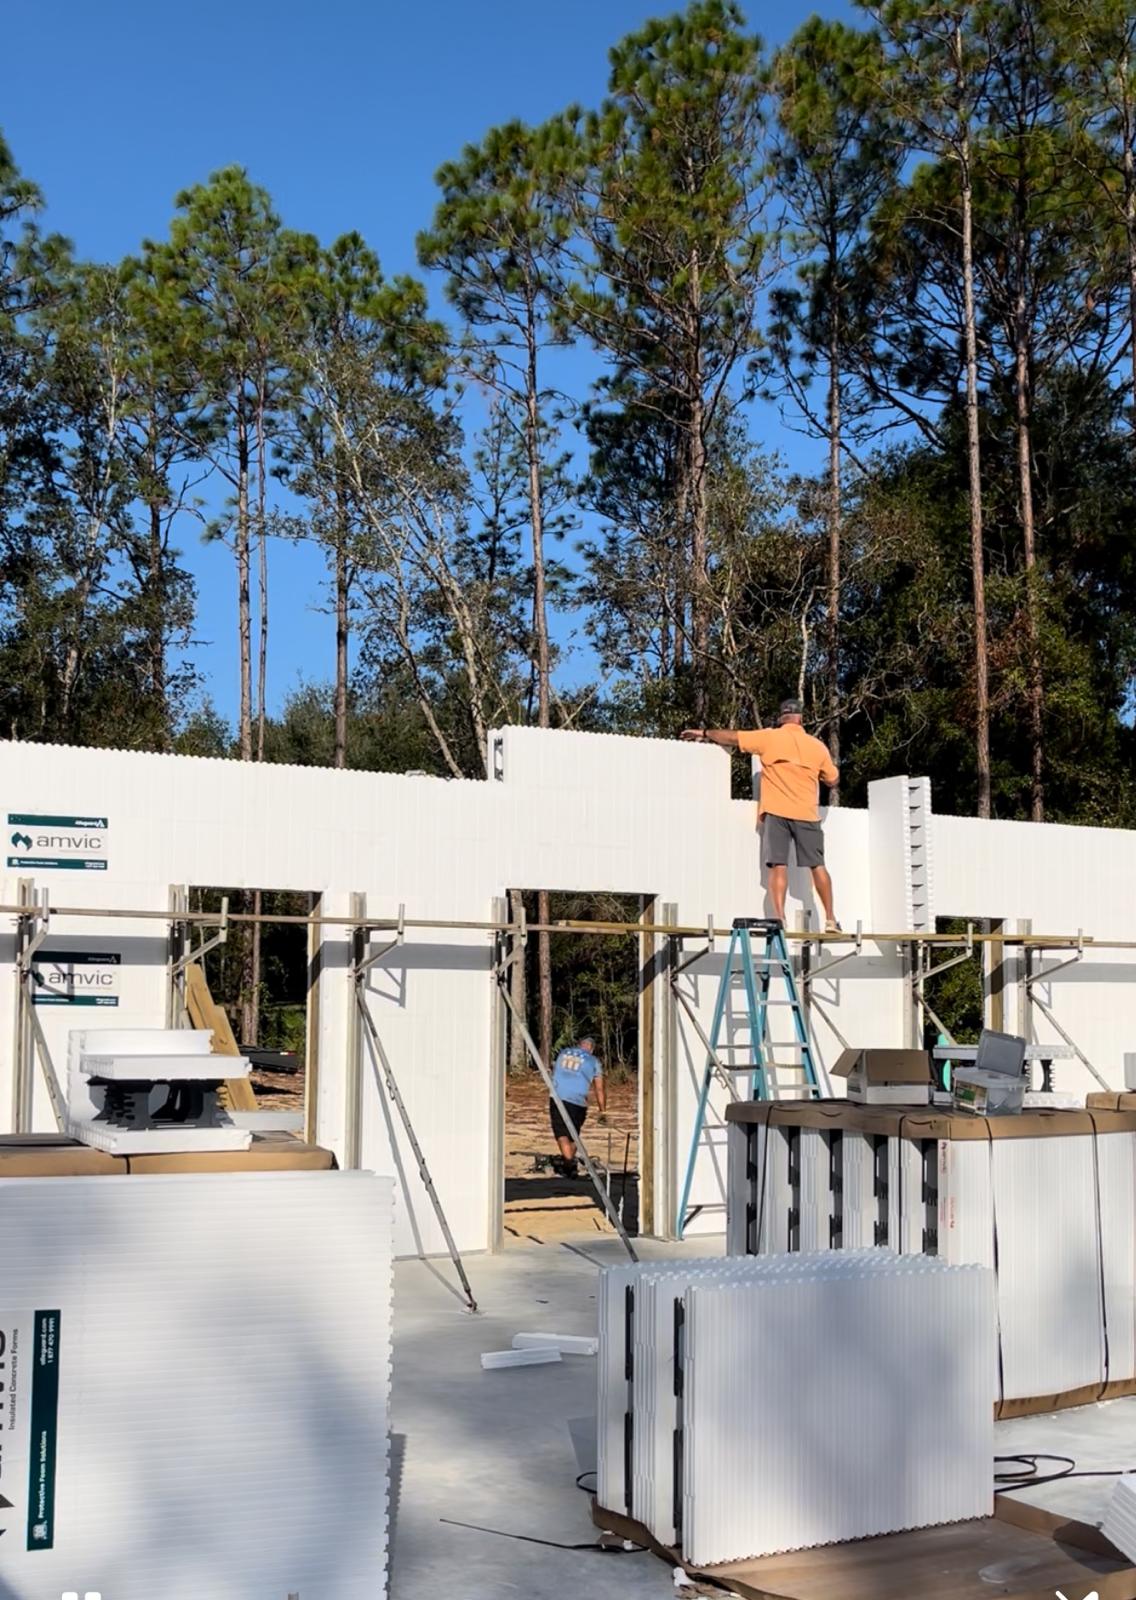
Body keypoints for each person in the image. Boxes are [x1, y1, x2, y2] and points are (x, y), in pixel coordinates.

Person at [681, 700, 841, 930]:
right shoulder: (817, 747)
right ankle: (830, 919)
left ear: (781, 718)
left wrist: (704, 732)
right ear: (801, 719)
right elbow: (832, 779)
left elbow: (733, 737)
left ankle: (780, 919)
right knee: (817, 865)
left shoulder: (769, 737)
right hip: (807, 813)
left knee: (778, 866)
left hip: (777, 812)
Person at [549, 1035, 606, 1178]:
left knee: (561, 1134)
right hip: (579, 1102)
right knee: (573, 1135)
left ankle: (569, 1165)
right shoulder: (593, 1061)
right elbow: (599, 1089)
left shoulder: (563, 1053)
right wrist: (602, 1110)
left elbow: (555, 1071)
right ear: (591, 1049)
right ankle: (569, 1162)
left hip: (559, 1097)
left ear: (580, 1045)